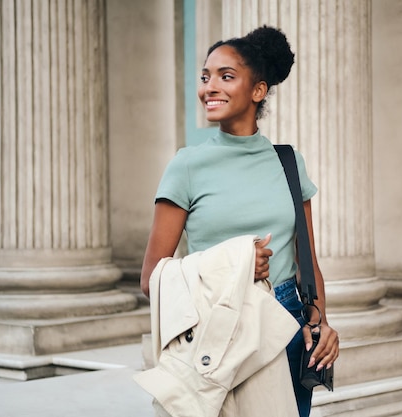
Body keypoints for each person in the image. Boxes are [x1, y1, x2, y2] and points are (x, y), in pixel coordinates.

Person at [140, 25, 339, 417]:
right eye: (205, 77)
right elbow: (151, 278)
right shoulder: (187, 166)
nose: (209, 87)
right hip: (216, 327)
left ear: (258, 90)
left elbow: (306, 262)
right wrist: (236, 263)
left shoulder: (288, 164)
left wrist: (321, 323)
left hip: (287, 325)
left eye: (225, 77)